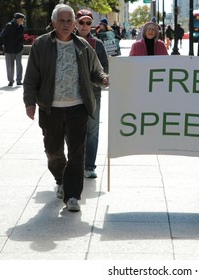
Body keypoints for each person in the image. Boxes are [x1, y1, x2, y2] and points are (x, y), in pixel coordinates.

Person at [23, 4, 109, 212]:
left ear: (74, 24)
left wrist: (104, 79)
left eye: (69, 21)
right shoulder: (41, 44)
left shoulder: (83, 46)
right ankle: (61, 179)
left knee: (77, 152)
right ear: (53, 23)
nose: (66, 24)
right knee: (53, 151)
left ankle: (72, 195)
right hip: (50, 108)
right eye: (61, 21)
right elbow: (32, 76)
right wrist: (29, 102)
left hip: (77, 107)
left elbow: (95, 72)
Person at [75, 9, 109, 179]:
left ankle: (89, 165)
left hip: (93, 94)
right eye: (81, 22)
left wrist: (101, 79)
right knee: (72, 131)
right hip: (71, 94)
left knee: (92, 131)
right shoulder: (66, 42)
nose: (85, 26)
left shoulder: (97, 45)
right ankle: (75, 163)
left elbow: (104, 68)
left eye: (88, 23)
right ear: (76, 23)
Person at [0, 12, 26, 86]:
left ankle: (19, 80)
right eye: (21, 19)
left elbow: (22, 37)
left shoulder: (21, 27)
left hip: (18, 49)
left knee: (19, 64)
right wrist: (0, 48)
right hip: (9, 49)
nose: (23, 21)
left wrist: (21, 43)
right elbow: (1, 37)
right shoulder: (9, 26)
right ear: (17, 19)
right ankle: (10, 80)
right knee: (10, 66)